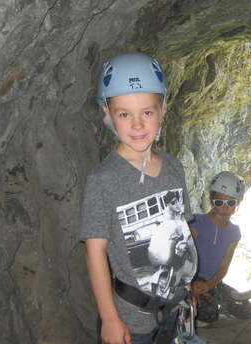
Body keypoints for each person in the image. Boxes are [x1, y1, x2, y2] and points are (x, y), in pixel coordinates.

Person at [78, 53, 198, 344]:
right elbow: (95, 252)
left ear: (163, 109)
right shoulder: (103, 181)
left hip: (174, 309)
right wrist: (109, 318)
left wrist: (187, 288)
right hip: (132, 319)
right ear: (107, 113)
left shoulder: (172, 167)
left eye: (147, 112)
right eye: (124, 114)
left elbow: (185, 228)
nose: (137, 125)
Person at [190, 171, 251, 325]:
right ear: (211, 200)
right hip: (192, 279)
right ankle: (209, 304)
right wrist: (191, 284)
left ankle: (217, 300)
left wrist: (208, 285)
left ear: (237, 204)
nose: (225, 207)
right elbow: (182, 258)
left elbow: (223, 267)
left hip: (213, 281)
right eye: (219, 202)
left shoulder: (234, 232)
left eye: (231, 202)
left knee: (250, 313)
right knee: (208, 315)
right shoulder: (196, 222)